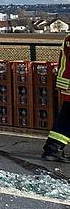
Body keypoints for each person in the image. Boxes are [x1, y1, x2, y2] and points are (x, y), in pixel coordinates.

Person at [42, 33, 70, 162]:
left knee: (65, 118)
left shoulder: (68, 38)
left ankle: (52, 148)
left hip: (67, 83)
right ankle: (52, 149)